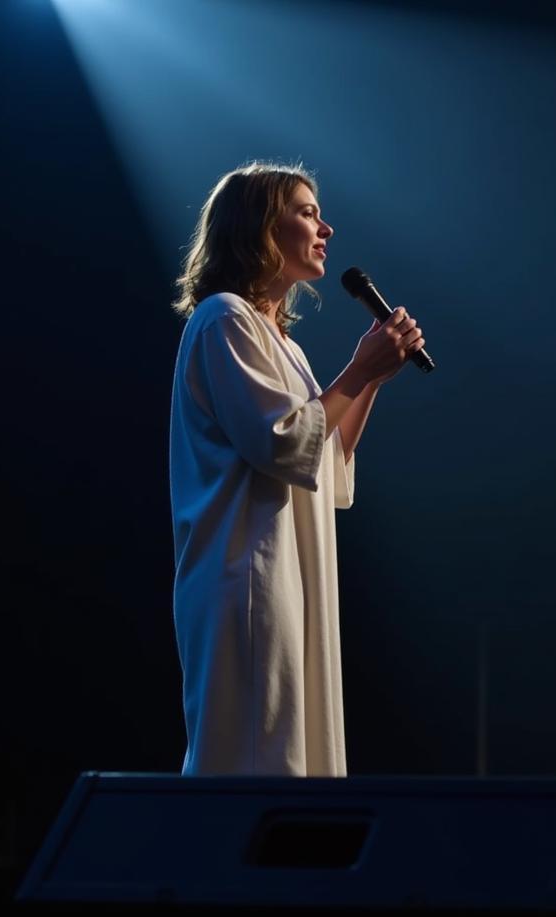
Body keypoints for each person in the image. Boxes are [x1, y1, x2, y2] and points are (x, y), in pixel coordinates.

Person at [170, 161, 425, 775]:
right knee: (259, 752)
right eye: (307, 211)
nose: (326, 227)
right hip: (250, 575)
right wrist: (358, 371)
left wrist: (375, 377)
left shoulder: (283, 343)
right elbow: (283, 442)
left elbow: (326, 460)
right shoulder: (223, 318)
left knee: (294, 749)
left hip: (294, 571)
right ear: (260, 226)